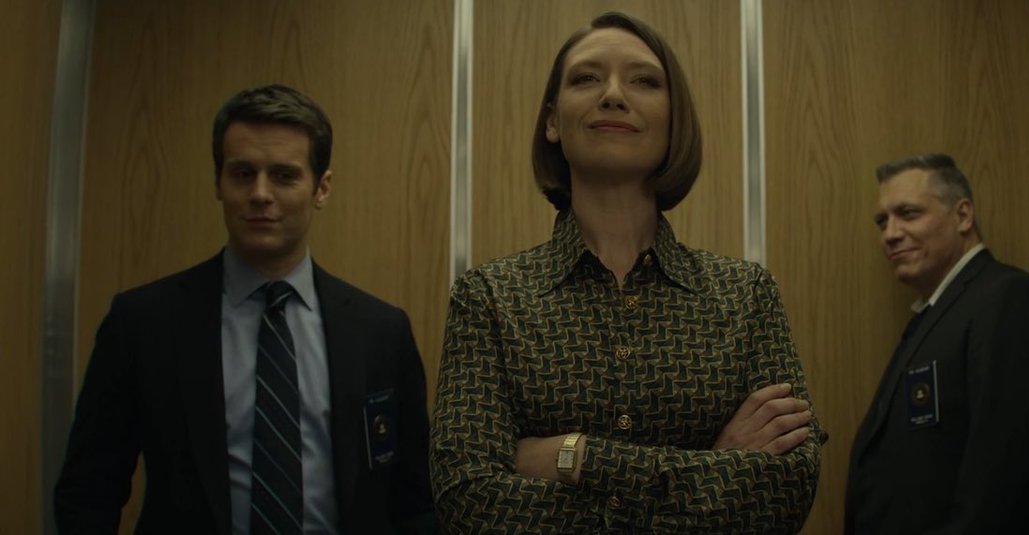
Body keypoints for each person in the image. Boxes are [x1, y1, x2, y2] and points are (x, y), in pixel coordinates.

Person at [431, 12, 822, 533]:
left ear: (674, 120)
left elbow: (786, 490)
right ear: (552, 121)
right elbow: (468, 501)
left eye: (643, 81)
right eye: (586, 78)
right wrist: (716, 463)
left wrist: (575, 456)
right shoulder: (489, 297)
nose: (613, 95)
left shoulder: (746, 295)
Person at [55, 84, 437, 534]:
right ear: (218, 182)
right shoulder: (143, 323)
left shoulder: (381, 332)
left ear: (322, 188)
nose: (260, 193)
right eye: (242, 173)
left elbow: (415, 500)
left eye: (284, 175)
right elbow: (89, 492)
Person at [845, 153, 1029, 534]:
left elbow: (1003, 480)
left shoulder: (1009, 300)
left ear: (963, 215)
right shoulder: (938, 314)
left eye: (908, 213)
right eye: (882, 221)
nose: (890, 233)